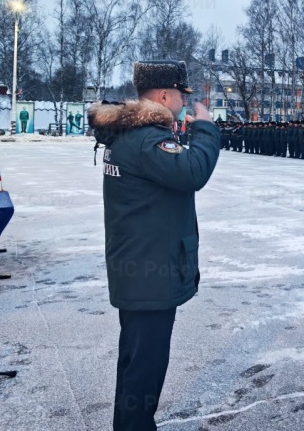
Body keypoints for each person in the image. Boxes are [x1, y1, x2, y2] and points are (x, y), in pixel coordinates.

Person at [88, 60, 221, 431]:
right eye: (181, 95)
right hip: (149, 271)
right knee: (144, 367)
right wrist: (207, 129)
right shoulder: (147, 139)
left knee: (135, 361)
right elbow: (192, 172)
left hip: (139, 267)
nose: (183, 102)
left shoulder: (133, 135)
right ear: (164, 95)